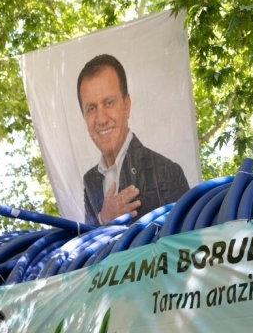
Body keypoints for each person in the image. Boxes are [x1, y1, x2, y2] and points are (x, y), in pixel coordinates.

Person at [77, 54, 189, 225]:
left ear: (126, 105)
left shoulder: (168, 172)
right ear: (84, 116)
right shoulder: (90, 180)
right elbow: (90, 240)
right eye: (91, 108)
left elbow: (187, 239)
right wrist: (103, 219)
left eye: (108, 102)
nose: (101, 119)